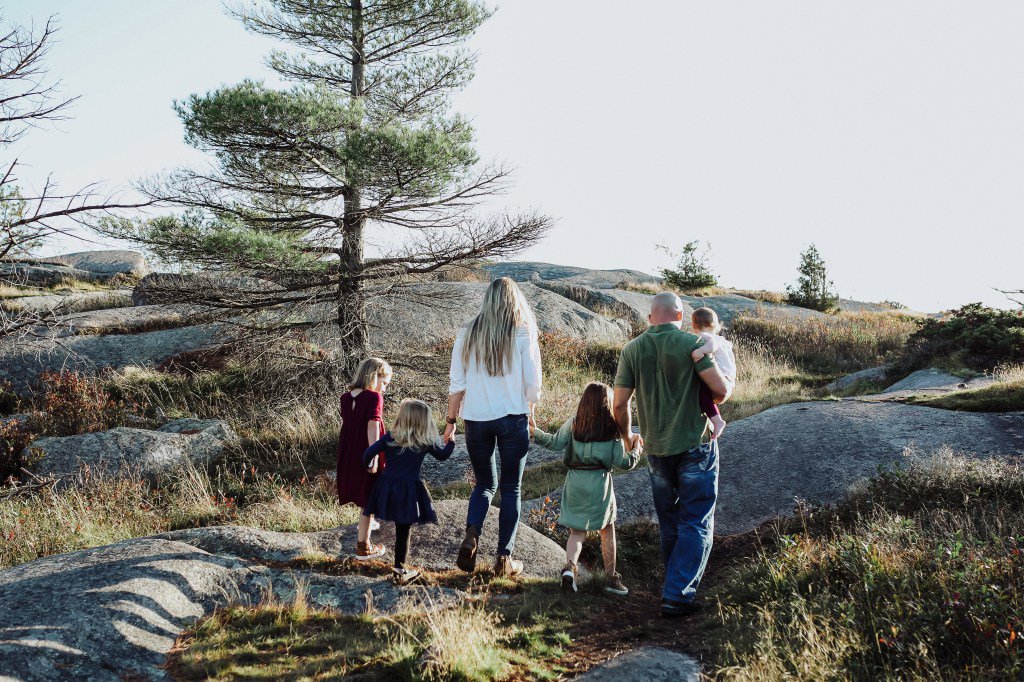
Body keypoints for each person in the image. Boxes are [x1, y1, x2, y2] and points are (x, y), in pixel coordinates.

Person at [612, 292, 731, 617]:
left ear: (651, 317)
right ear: (680, 317)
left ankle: (673, 585)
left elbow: (620, 404)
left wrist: (627, 436)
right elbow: (719, 391)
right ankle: (677, 593)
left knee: (670, 522)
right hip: (696, 444)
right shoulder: (691, 344)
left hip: (657, 449)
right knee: (696, 519)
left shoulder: (632, 349)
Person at [445, 277, 543, 577]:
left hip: (476, 420)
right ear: (515, 300)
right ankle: (504, 558)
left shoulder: (467, 333)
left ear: (486, 299)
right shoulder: (523, 334)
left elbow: (456, 384)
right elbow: (533, 385)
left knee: (484, 484)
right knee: (511, 488)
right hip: (513, 419)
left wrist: (450, 422)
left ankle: (473, 534)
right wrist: (531, 410)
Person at [530, 382, 641, 595]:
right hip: (599, 483)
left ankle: (570, 568)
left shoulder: (574, 424)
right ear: (608, 404)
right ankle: (611, 579)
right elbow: (624, 463)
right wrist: (636, 449)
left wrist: (534, 432)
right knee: (607, 529)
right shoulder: (613, 430)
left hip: (575, 481)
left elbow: (554, 443)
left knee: (577, 532)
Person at [362, 399, 456, 584]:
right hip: (409, 489)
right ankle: (399, 569)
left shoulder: (390, 437)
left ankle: (399, 568)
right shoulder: (424, 442)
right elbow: (443, 456)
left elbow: (367, 454)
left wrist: (368, 466)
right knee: (403, 529)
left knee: (399, 526)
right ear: (424, 422)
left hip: (387, 486)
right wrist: (451, 441)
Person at [337, 357, 392, 560]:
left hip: (348, 450)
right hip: (366, 448)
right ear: (374, 376)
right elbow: (372, 426)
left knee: (363, 491)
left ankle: (369, 523)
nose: (384, 389)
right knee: (369, 495)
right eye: (384, 383)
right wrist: (374, 455)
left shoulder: (345, 397)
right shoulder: (373, 398)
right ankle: (364, 546)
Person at [689, 307, 737, 439]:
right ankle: (714, 418)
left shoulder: (704, 336)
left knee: (700, 392)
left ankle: (717, 420)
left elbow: (712, 346)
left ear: (693, 326)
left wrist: (702, 351)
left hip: (720, 375)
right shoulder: (721, 339)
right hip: (729, 377)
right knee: (707, 396)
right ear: (715, 325)